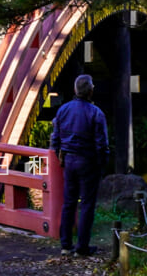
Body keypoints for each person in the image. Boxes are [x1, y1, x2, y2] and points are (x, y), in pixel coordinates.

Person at [50, 73, 109, 258]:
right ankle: (82, 247)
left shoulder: (63, 110)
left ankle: (65, 245)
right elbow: (101, 144)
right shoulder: (96, 113)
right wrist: (102, 164)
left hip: (69, 161)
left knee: (69, 203)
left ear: (75, 90)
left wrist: (60, 156)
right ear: (90, 91)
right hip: (88, 161)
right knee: (87, 205)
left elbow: (55, 139)